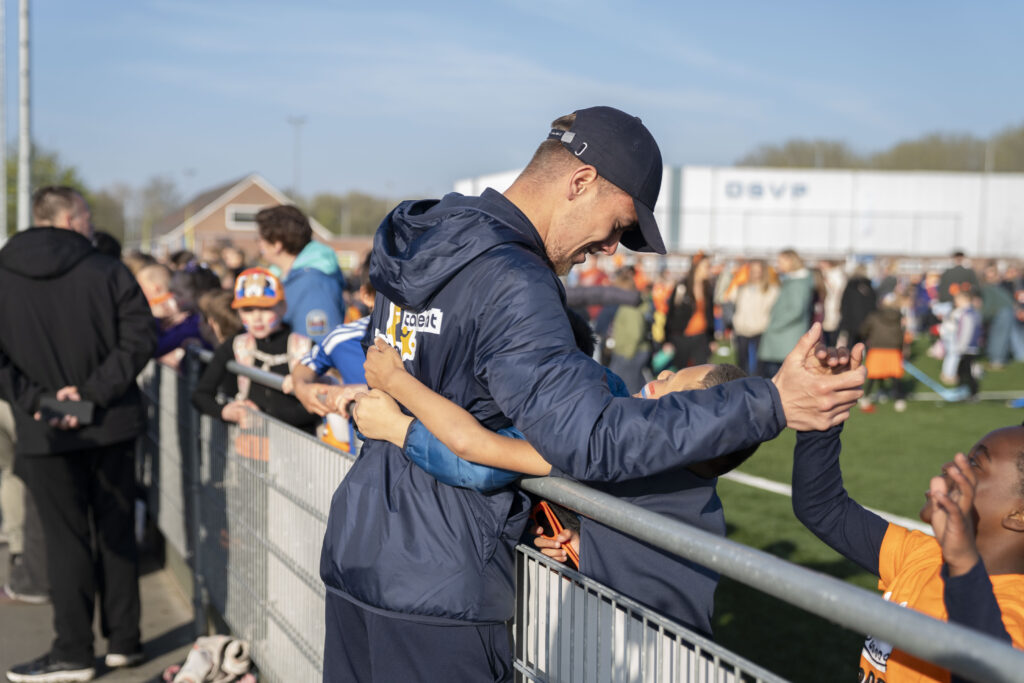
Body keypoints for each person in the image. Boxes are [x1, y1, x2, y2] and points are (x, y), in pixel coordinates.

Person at [319, 106, 865, 681]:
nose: (612, 248)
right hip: (438, 581)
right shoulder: (513, 278)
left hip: (361, 544)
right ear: (581, 182)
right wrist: (772, 403)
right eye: (621, 224)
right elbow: (587, 438)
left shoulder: (428, 239)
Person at [352, 339, 754, 636]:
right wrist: (592, 549)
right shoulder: (698, 491)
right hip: (679, 653)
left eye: (670, 383)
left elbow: (476, 451)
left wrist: (396, 405)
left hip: (626, 648)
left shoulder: (617, 451)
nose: (659, 376)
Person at [0, 186, 156, 681]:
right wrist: (88, 397)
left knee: (65, 539)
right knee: (114, 530)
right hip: (110, 423)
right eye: (87, 217)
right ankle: (124, 642)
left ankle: (72, 650)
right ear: (70, 219)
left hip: (44, 430)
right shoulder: (108, 271)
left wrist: (44, 403)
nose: (91, 226)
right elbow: (139, 342)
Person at [792, 394, 1024, 678]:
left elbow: (990, 669)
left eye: (974, 465)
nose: (950, 467)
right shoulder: (922, 554)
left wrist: (962, 562)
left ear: (1019, 515)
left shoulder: (1015, 611)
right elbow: (822, 507)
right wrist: (823, 409)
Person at [191, 268, 317, 433]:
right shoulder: (236, 346)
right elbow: (201, 395)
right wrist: (226, 411)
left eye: (265, 308)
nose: (256, 317)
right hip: (251, 450)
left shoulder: (306, 347)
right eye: (248, 310)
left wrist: (265, 418)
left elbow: (317, 404)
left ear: (283, 307)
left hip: (299, 448)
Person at [256, 205, 345, 343]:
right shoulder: (282, 276)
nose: (259, 245)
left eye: (260, 239)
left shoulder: (314, 282)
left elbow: (320, 343)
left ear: (277, 245)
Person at [758, 249, 814, 377]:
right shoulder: (794, 281)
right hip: (783, 338)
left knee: (777, 379)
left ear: (791, 261)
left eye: (781, 261)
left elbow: (795, 310)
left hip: (784, 339)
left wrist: (774, 325)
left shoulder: (798, 283)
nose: (778, 264)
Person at [663, 253, 714, 370]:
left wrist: (711, 339)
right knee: (681, 373)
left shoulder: (707, 288)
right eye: (706, 266)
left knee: (701, 373)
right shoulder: (682, 287)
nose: (709, 270)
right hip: (682, 337)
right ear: (696, 267)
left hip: (701, 338)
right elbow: (671, 313)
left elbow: (709, 314)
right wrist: (667, 340)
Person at [859, 293, 908, 413]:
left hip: (877, 348)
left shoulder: (873, 316)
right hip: (893, 349)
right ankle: (899, 400)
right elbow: (901, 335)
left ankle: (866, 398)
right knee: (895, 376)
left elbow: (863, 330)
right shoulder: (899, 317)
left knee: (872, 375)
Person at [731, 259, 779, 376]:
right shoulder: (742, 288)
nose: (755, 273)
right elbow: (731, 300)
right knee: (741, 362)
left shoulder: (771, 289)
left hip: (760, 329)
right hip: (742, 329)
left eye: (758, 270)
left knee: (760, 364)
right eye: (752, 270)